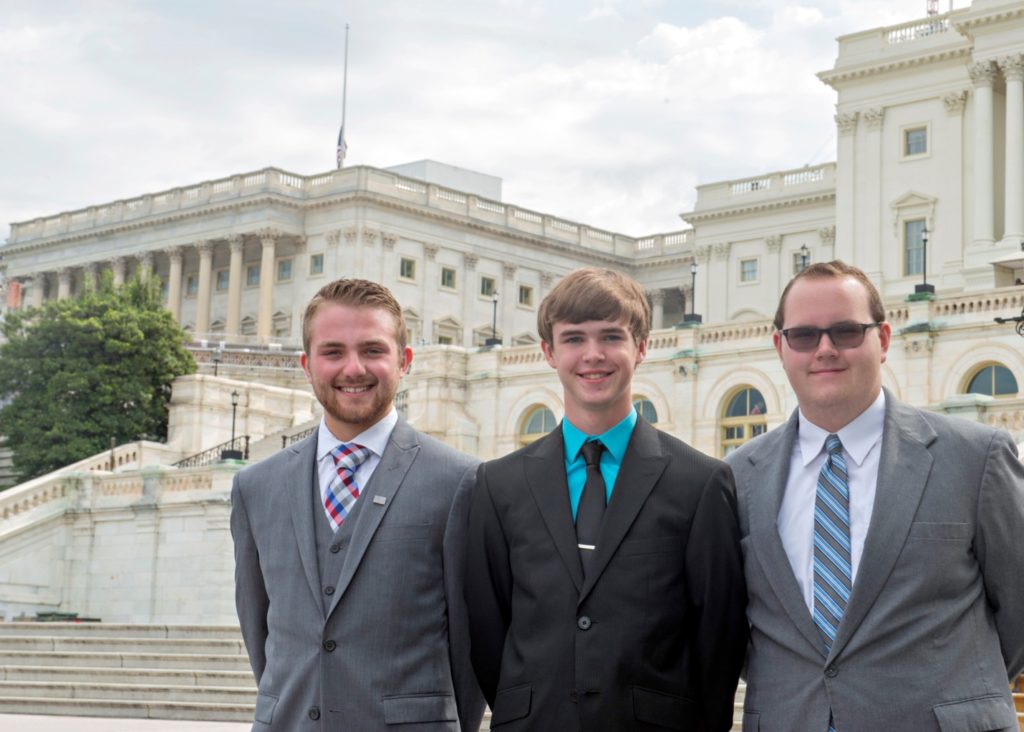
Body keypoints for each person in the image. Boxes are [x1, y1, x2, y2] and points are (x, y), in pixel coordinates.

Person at [727, 260, 1024, 731]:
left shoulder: (975, 458)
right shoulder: (737, 477)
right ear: (780, 348)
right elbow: (733, 629)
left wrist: (949, 695)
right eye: (804, 336)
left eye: (846, 331)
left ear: (883, 340)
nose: (824, 349)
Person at [465, 267, 748, 731]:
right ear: (548, 352)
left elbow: (719, 639)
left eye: (610, 337)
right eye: (574, 339)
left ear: (641, 347)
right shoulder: (498, 486)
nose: (592, 355)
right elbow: (488, 631)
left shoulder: (701, 482)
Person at [230, 278, 484, 731]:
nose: (353, 368)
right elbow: (259, 631)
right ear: (307, 366)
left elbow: (471, 647)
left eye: (372, 350)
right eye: (333, 352)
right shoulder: (256, 487)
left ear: (404, 361)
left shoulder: (460, 481)